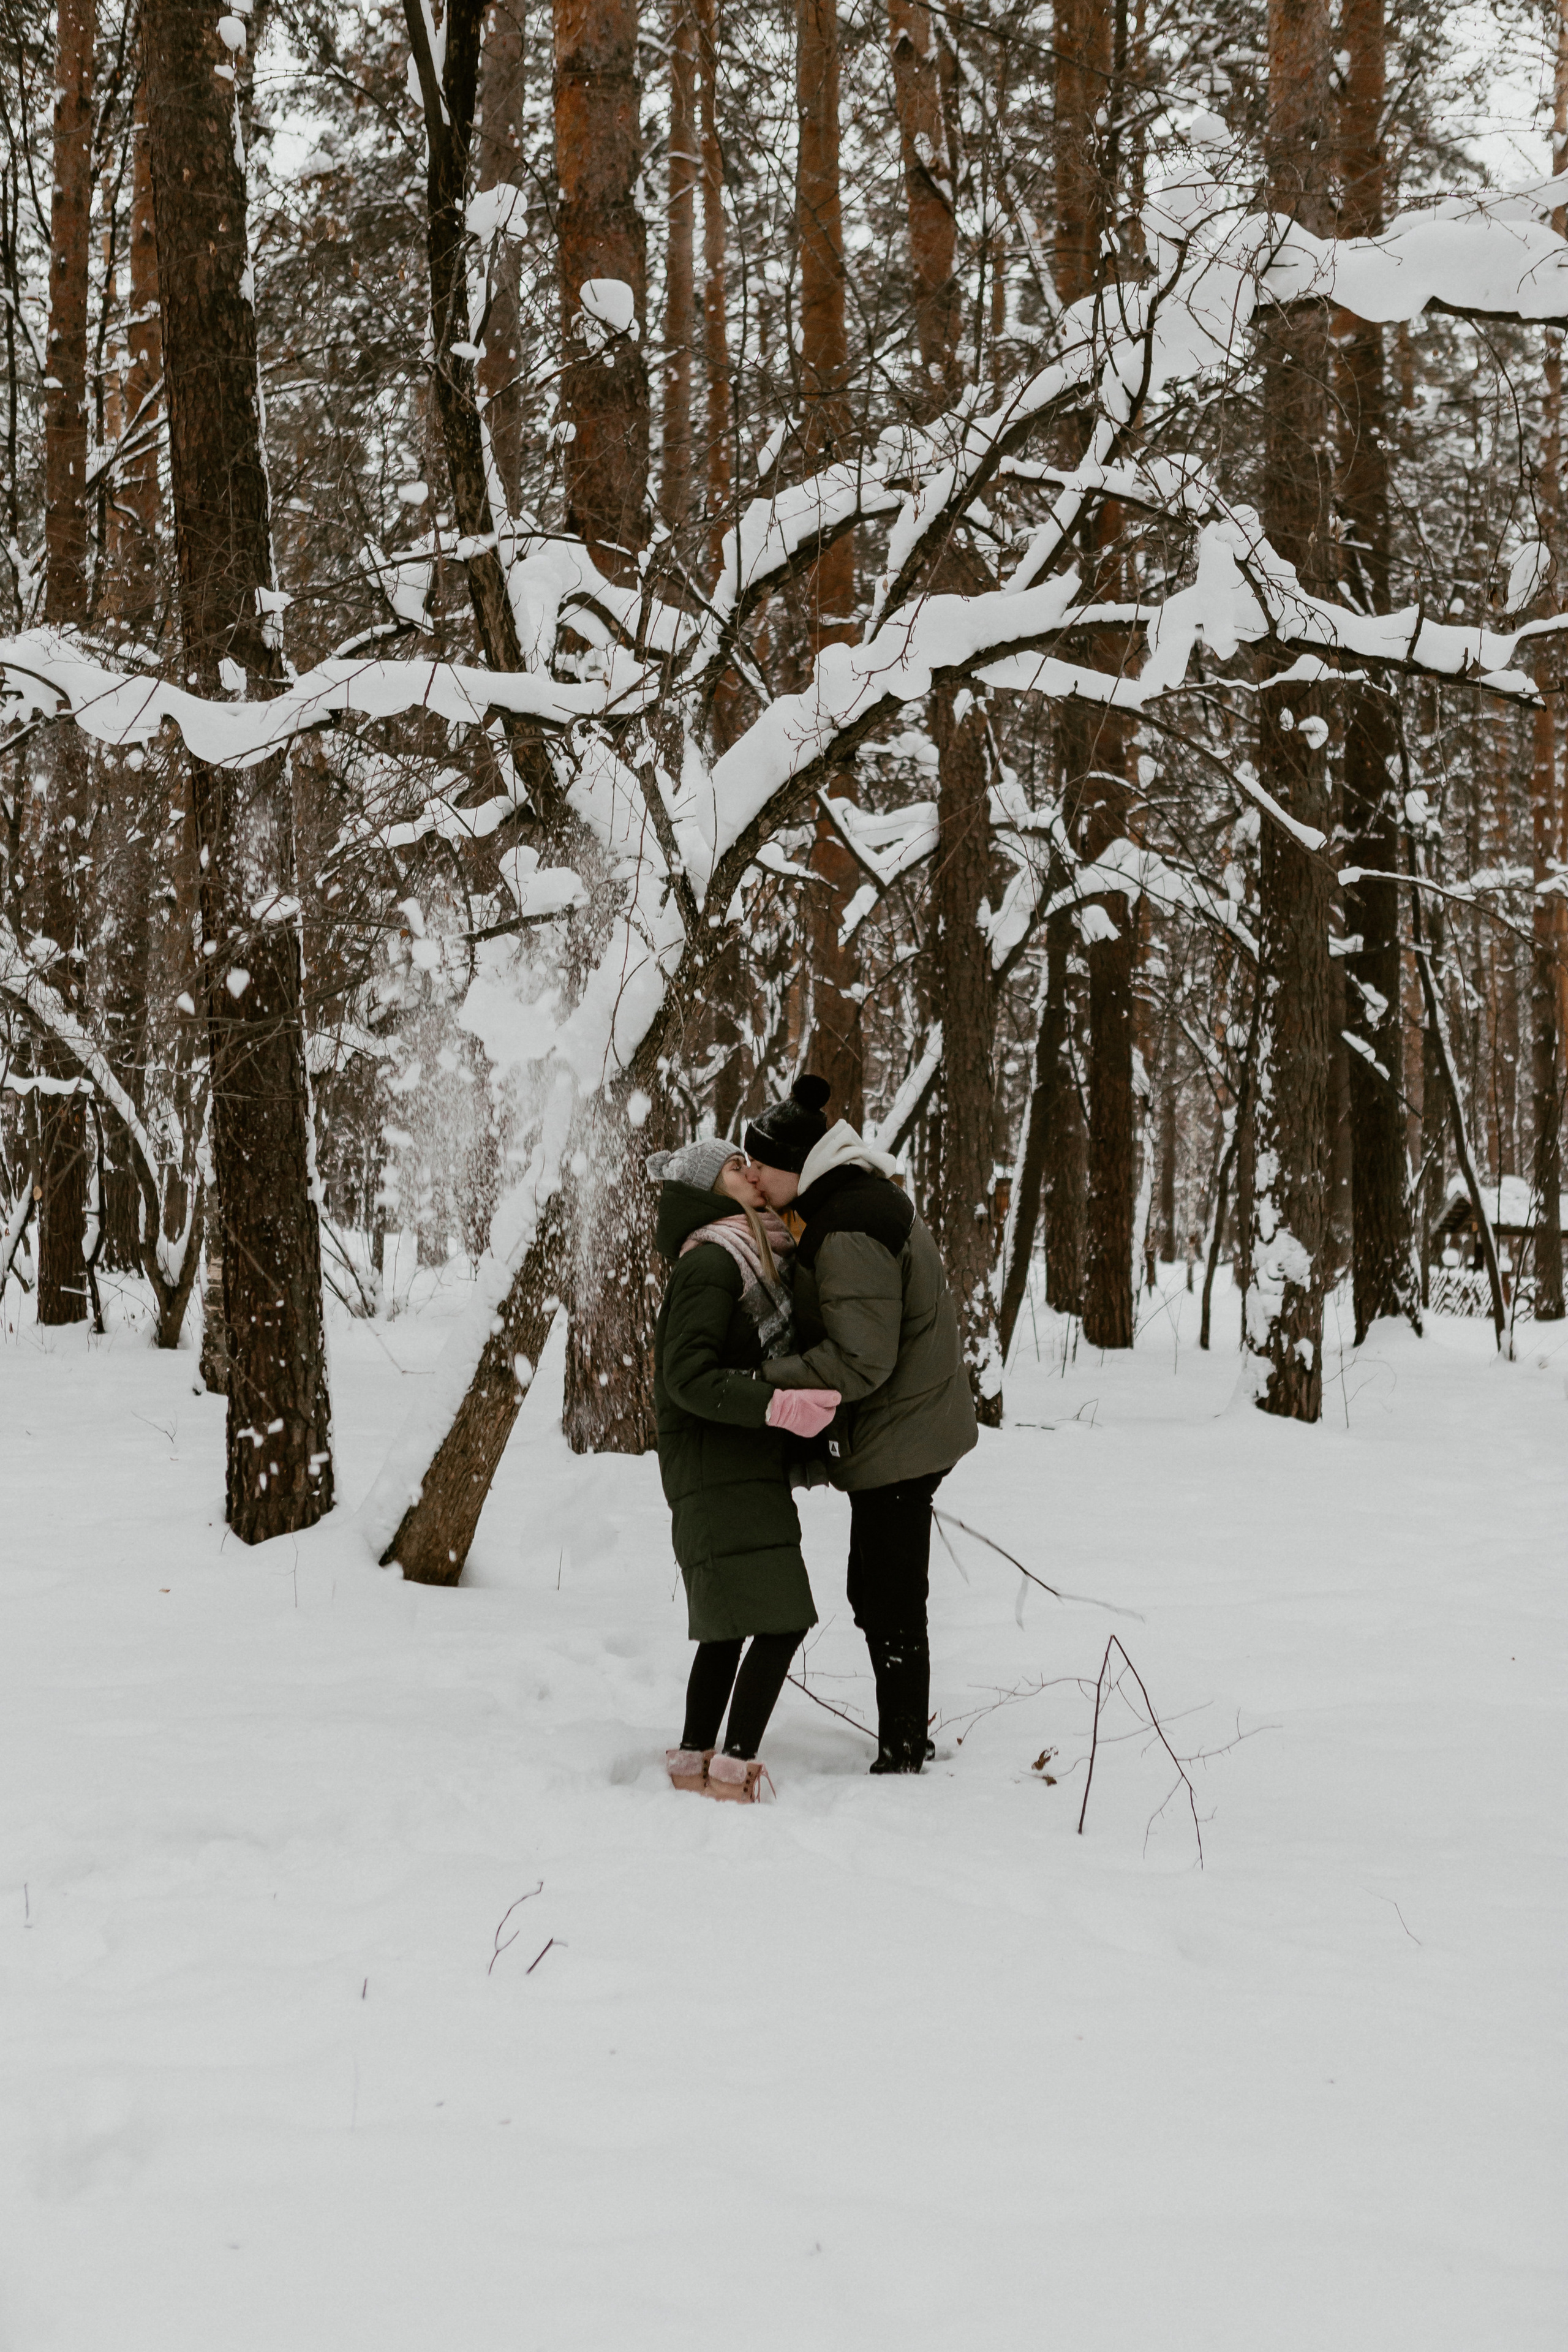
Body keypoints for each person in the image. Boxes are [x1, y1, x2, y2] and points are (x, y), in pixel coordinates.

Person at [742, 1076, 978, 1775]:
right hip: (907, 1424)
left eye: (760, 1164)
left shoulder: (846, 1225)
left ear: (796, 1167)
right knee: (873, 1589)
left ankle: (904, 1749)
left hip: (903, 1436)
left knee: (890, 1595)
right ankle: (904, 1731)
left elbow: (858, 1360)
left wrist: (760, 1381)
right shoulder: (846, 1200)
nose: (752, 1174)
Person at [649, 1136, 841, 1802]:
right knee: (781, 1615)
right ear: (709, 1190)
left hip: (734, 1458)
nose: (751, 1173)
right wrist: (778, 1405)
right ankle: (734, 1769)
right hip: (715, 1460)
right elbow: (686, 1378)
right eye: (735, 1167)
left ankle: (694, 1763)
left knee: (733, 1621)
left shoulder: (751, 1251)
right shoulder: (712, 1264)